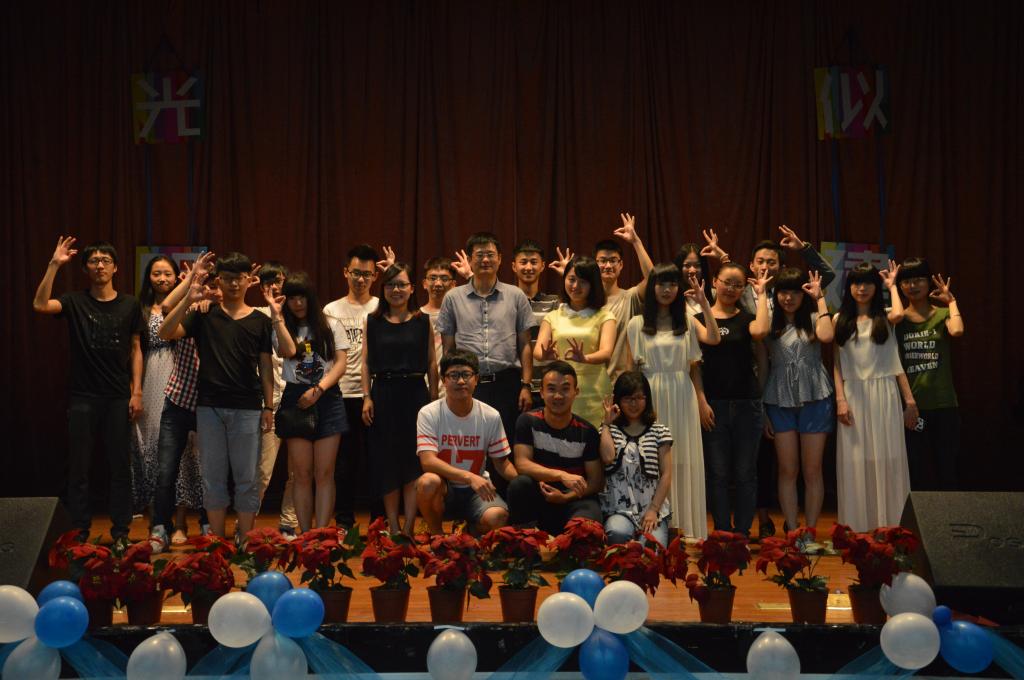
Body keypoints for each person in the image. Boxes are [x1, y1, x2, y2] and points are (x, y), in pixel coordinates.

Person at [702, 225, 835, 540]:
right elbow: (731, 284)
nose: (765, 268)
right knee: (773, 468)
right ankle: (784, 527)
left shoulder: (806, 302)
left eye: (771, 262)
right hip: (766, 390)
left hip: (810, 392)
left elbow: (826, 280)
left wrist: (805, 250)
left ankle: (807, 532)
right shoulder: (751, 297)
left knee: (809, 469)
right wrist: (724, 260)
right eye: (759, 262)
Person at [33, 237, 144, 542]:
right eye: (93, 261)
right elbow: (40, 304)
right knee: (79, 468)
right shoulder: (74, 301)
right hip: (83, 396)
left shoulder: (130, 304)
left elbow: (136, 348)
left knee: (120, 467)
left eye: (105, 260)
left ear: (115, 267)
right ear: (85, 269)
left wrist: (136, 392)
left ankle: (121, 532)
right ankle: (79, 530)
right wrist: (54, 264)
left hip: (118, 395)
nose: (99, 266)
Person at [158, 251, 275, 540]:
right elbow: (165, 332)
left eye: (239, 278)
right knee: (213, 479)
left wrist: (269, 406)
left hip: (248, 408)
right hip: (209, 407)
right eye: (228, 278)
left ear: (249, 280)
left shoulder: (260, 320)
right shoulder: (204, 314)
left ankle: (246, 541)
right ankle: (217, 545)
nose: (234, 284)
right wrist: (189, 298)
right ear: (218, 280)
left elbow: (265, 367)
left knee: (247, 479)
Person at [625, 263, 720, 539]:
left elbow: (714, 338)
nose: (666, 290)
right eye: (661, 284)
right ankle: (655, 528)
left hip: (682, 393)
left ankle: (686, 528)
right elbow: (631, 371)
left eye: (672, 284)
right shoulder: (637, 324)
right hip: (650, 395)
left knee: (683, 459)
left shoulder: (687, 321)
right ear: (651, 287)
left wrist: (704, 303)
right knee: (652, 460)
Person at [436, 232, 536, 487]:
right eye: (479, 255)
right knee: (470, 444)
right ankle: (471, 500)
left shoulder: (516, 296)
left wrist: (526, 384)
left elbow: (525, 344)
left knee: (506, 447)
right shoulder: (453, 297)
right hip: (469, 384)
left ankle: (508, 504)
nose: (485, 260)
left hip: (508, 383)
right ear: (470, 260)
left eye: (490, 254)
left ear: (500, 259)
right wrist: (450, 384)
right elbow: (448, 348)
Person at [833, 262, 916, 531]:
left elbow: (899, 315)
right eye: (856, 282)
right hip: (853, 394)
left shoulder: (887, 317)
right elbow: (836, 365)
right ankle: (858, 526)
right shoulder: (839, 320)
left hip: (884, 393)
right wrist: (840, 400)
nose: (862, 288)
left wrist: (892, 286)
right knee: (855, 460)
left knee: (888, 457)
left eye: (868, 282)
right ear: (849, 287)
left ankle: (891, 525)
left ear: (876, 287)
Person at [693, 263, 771, 536]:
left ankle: (743, 532)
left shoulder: (747, 318)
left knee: (746, 472)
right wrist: (701, 402)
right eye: (727, 282)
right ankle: (723, 531)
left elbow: (761, 333)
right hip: (713, 405)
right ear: (714, 281)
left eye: (738, 285)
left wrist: (762, 293)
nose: (731, 289)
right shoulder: (699, 319)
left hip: (747, 404)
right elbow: (694, 366)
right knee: (718, 473)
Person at [362, 262, 438, 535]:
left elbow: (431, 362)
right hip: (383, 394)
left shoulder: (422, 321)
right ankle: (393, 525)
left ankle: (409, 526)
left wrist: (433, 398)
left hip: (416, 394)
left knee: (412, 462)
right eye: (391, 285)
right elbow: (365, 363)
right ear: (383, 289)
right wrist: (367, 397)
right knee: (388, 463)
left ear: (412, 288)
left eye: (402, 284)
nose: (396, 290)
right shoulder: (373, 321)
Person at [272, 272, 350, 532]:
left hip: (327, 396)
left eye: (302, 297)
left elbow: (341, 364)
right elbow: (287, 351)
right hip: (295, 397)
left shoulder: (331, 324)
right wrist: (277, 317)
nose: (297, 303)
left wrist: (319, 389)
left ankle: (321, 534)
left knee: (325, 472)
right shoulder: (281, 326)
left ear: (311, 297)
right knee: (301, 474)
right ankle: (306, 534)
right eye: (292, 298)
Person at [762, 268, 835, 532]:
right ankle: (792, 531)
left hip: (816, 397)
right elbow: (762, 360)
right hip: (778, 399)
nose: (789, 297)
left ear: (804, 294)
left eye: (795, 291)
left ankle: (811, 532)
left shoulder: (816, 318)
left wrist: (820, 298)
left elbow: (827, 337)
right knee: (787, 469)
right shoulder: (770, 323)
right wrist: (763, 410)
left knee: (812, 470)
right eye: (783, 291)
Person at [415, 350, 517, 535]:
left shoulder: (491, 415)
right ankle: (438, 536)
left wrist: (525, 482)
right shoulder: (429, 413)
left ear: (476, 379)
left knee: (498, 517)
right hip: (445, 489)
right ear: (443, 380)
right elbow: (427, 461)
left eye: (466, 375)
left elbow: (502, 463)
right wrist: (469, 477)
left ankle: (469, 531)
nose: (461, 381)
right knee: (427, 482)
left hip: (477, 491)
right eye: (453, 375)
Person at [323, 244, 386, 528]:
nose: (361, 279)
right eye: (356, 273)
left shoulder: (381, 307)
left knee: (377, 461)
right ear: (345, 272)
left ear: (375, 276)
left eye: (367, 274)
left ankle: (379, 522)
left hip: (374, 394)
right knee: (344, 463)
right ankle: (344, 522)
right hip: (340, 393)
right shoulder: (331, 309)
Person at [548, 213, 654, 382]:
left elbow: (653, 279)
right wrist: (571, 274)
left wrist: (636, 242)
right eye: (602, 261)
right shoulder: (581, 303)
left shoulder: (630, 297)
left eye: (613, 260)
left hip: (621, 382)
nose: (608, 265)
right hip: (586, 382)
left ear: (621, 265)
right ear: (594, 265)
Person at [507, 361, 604, 534]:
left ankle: (574, 549)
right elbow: (522, 464)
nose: (558, 396)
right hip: (541, 495)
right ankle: (527, 544)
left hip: (574, 499)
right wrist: (561, 475)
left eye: (565, 389)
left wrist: (566, 497)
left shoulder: (587, 431)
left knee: (588, 525)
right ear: (542, 392)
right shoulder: (527, 421)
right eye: (551, 389)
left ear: (576, 392)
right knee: (519, 485)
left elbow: (595, 481)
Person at [151, 262, 210, 549]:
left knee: (209, 470)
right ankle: (159, 528)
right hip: (178, 399)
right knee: (166, 471)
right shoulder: (187, 311)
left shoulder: (218, 311)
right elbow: (165, 307)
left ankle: (208, 525)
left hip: (209, 403)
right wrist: (189, 288)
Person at [895, 258, 964, 490]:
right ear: (900, 286)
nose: (913, 286)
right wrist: (908, 404)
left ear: (928, 282)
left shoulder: (943, 314)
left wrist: (952, 301)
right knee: (916, 471)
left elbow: (957, 330)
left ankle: (950, 514)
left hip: (944, 404)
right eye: (906, 281)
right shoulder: (898, 320)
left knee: (947, 469)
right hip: (914, 407)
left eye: (918, 280)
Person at [535, 255, 615, 427]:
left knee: (595, 437)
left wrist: (585, 358)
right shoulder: (553, 316)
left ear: (593, 285)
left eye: (583, 282)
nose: (576, 286)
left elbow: (606, 352)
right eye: (571, 279)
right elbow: (537, 352)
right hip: (560, 391)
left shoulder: (605, 316)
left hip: (594, 389)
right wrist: (545, 354)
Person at [598, 371, 673, 546]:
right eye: (628, 399)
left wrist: (653, 510)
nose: (634, 404)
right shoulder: (608, 430)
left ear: (647, 399)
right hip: (619, 510)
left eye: (639, 398)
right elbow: (607, 458)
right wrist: (607, 423)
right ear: (618, 400)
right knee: (616, 533)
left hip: (651, 509)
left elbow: (666, 474)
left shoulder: (659, 431)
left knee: (652, 547)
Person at [131, 256, 180, 517]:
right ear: (148, 277)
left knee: (183, 445)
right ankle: (156, 515)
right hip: (150, 377)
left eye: (167, 274)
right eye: (156, 273)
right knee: (149, 441)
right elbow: (135, 350)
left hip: (181, 374)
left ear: (177, 277)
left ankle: (180, 519)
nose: (162, 279)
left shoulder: (186, 305)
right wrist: (135, 389)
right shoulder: (140, 308)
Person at [253, 262, 298, 536]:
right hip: (267, 402)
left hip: (296, 401)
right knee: (263, 470)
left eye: (279, 280)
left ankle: (289, 523)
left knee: (297, 471)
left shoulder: (297, 315)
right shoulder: (256, 315)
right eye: (268, 282)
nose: (274, 286)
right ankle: (247, 523)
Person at [511, 240, 561, 405]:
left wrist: (567, 274)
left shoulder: (554, 302)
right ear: (514, 266)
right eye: (523, 262)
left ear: (542, 266)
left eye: (533, 262)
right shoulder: (506, 302)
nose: (528, 267)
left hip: (547, 386)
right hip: (514, 385)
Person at [420, 257, 458, 399]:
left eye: (444, 278)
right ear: (424, 283)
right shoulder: (416, 317)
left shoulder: (460, 315)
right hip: (422, 388)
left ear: (453, 284)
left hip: (454, 387)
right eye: (433, 278)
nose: (438, 283)